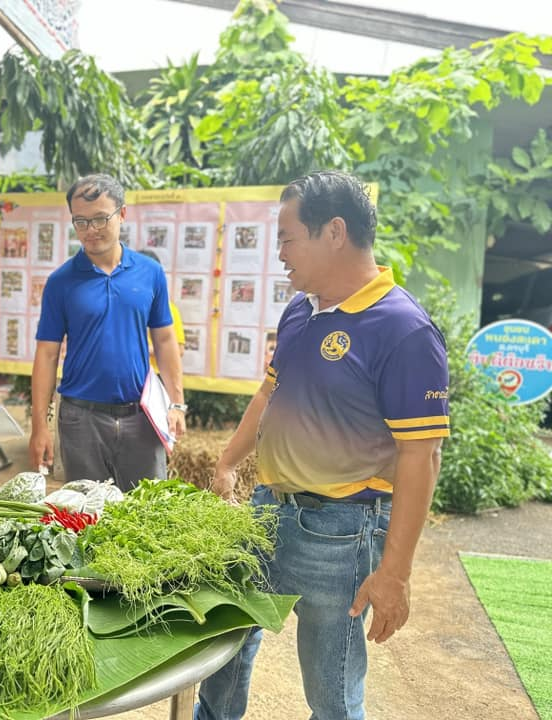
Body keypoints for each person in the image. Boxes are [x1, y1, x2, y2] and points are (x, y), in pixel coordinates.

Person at [196, 171, 450, 720]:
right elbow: (270, 392)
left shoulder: (403, 329)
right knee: (222, 650)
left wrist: (395, 574)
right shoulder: (301, 310)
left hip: (340, 534)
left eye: (288, 237)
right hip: (266, 513)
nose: (280, 252)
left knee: (331, 690)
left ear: (334, 232)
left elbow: (421, 456)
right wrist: (227, 460)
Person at [29, 173, 186, 490]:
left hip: (142, 417)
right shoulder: (61, 282)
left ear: (122, 214)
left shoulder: (150, 272)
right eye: (81, 222)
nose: (91, 230)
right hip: (80, 420)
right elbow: (46, 355)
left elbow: (166, 340)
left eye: (100, 219)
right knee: (86, 518)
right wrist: (39, 427)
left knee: (148, 513)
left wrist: (177, 404)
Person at [137, 248, 186, 370]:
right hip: (128, 375)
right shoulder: (122, 306)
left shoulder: (168, 308)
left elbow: (179, 350)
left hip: (157, 375)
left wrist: (146, 350)